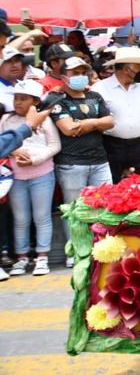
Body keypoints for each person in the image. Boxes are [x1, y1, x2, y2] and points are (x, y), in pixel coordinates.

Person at [47, 57, 114, 266]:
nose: (79, 76)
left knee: (104, 207)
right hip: (71, 164)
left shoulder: (95, 96)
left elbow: (110, 122)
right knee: (74, 210)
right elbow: (68, 128)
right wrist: (97, 123)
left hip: (100, 161)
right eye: (74, 73)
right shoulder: (57, 99)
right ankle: (75, 252)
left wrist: (88, 123)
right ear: (64, 76)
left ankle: (101, 249)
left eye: (82, 72)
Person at [0, 80, 59, 277]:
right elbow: (3, 144)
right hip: (15, 177)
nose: (18, 103)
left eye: (24, 99)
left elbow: (54, 146)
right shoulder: (6, 121)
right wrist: (15, 152)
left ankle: (42, 256)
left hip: (42, 174)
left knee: (41, 217)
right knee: (20, 218)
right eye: (16, 98)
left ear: (35, 102)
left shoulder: (44, 120)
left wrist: (36, 159)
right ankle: (22, 257)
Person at [92, 48, 140, 183]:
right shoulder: (99, 88)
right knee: (113, 185)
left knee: (139, 185)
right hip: (112, 146)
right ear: (127, 69)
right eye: (138, 67)